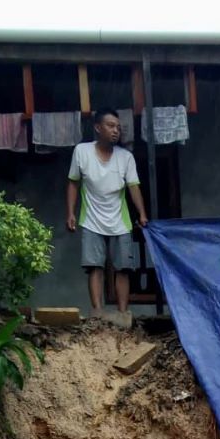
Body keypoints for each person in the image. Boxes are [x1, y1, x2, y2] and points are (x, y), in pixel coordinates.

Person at [66, 108, 148, 315]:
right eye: (111, 126)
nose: (116, 131)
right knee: (94, 267)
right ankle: (98, 313)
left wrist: (142, 214)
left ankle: (122, 314)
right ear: (97, 127)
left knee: (123, 268)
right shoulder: (82, 151)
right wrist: (71, 213)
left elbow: (133, 186)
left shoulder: (125, 157)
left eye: (118, 127)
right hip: (91, 219)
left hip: (120, 221)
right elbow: (73, 183)